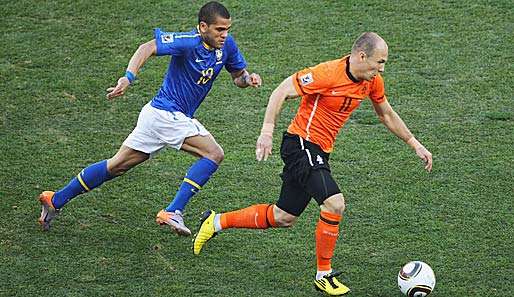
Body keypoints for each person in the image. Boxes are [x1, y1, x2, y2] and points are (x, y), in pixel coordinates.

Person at [192, 32, 432, 296]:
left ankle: (215, 222)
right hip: (301, 145)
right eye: (380, 62)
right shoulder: (327, 74)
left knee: (284, 216)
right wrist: (267, 131)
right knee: (334, 202)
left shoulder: (371, 81)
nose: (382, 69)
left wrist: (414, 143)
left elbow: (386, 113)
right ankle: (323, 274)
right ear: (362, 56)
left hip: (319, 151)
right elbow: (281, 91)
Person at [38, 1, 262, 235]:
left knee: (116, 166)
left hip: (159, 116)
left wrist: (248, 79)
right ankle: (173, 210)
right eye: (219, 29)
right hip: (167, 114)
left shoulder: (227, 46)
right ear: (203, 26)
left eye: (227, 29)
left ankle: (55, 200)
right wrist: (128, 77)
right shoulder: (188, 42)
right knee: (214, 153)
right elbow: (147, 47)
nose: (224, 35)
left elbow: (238, 77)